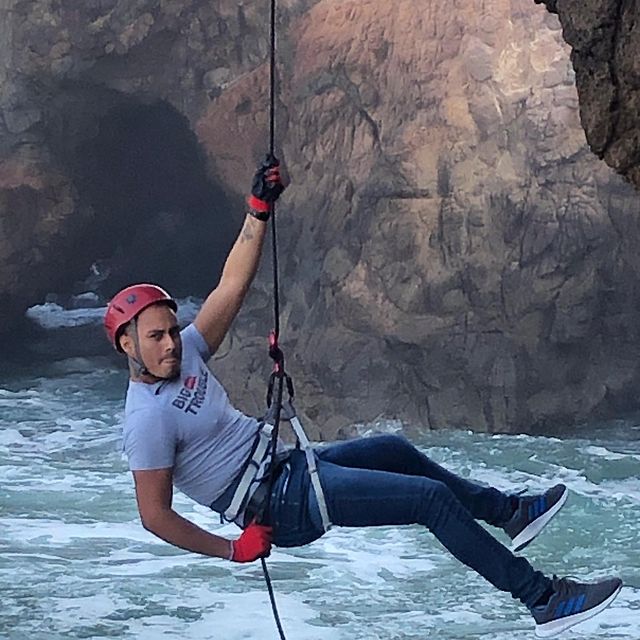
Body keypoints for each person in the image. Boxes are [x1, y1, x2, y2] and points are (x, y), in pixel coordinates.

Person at [105, 156, 622, 638]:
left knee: (394, 450)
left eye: (172, 331)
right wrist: (232, 550)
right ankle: (543, 599)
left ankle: (510, 513)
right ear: (128, 345)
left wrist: (257, 210)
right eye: (156, 337)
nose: (171, 343)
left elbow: (231, 286)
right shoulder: (146, 420)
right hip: (281, 504)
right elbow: (155, 515)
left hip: (290, 467)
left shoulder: (188, 354)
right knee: (429, 500)